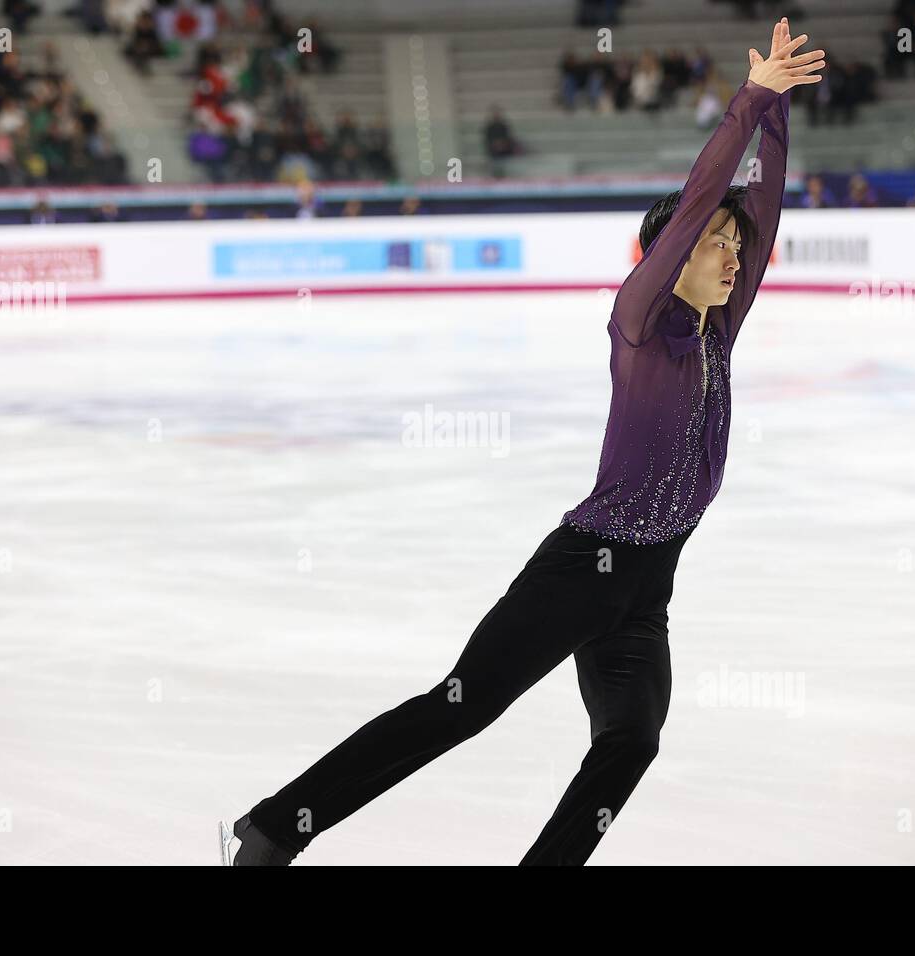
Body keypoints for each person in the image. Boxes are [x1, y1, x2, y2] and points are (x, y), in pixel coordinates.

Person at [220, 17, 823, 867]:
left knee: (632, 740)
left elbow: (757, 205)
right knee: (460, 707)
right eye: (715, 245)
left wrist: (780, 113)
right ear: (669, 255)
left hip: (648, 582)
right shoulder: (641, 323)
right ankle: (279, 825)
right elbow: (701, 204)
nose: (733, 255)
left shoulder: (718, 332)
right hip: (583, 566)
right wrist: (750, 96)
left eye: (735, 247)